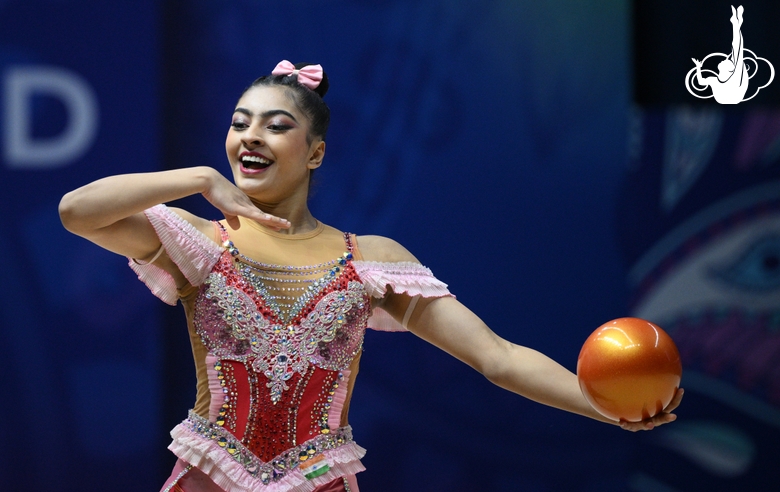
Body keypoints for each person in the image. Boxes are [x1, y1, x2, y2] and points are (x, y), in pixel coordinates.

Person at [59, 60, 683, 492]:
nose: (251, 136)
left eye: (277, 125)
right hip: (208, 478)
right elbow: (77, 212)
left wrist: (604, 407)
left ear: (316, 153)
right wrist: (197, 180)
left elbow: (497, 356)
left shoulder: (370, 260)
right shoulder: (201, 243)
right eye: (240, 122)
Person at [692, 5, 748, 104]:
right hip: (728, 98)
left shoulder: (734, 78)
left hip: (734, 96)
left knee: (737, 50)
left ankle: (736, 23)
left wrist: (736, 26)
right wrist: (698, 67)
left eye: (728, 61)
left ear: (729, 70)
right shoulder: (714, 80)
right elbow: (701, 82)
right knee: (736, 51)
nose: (725, 59)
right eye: (728, 60)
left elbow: (738, 48)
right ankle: (736, 23)